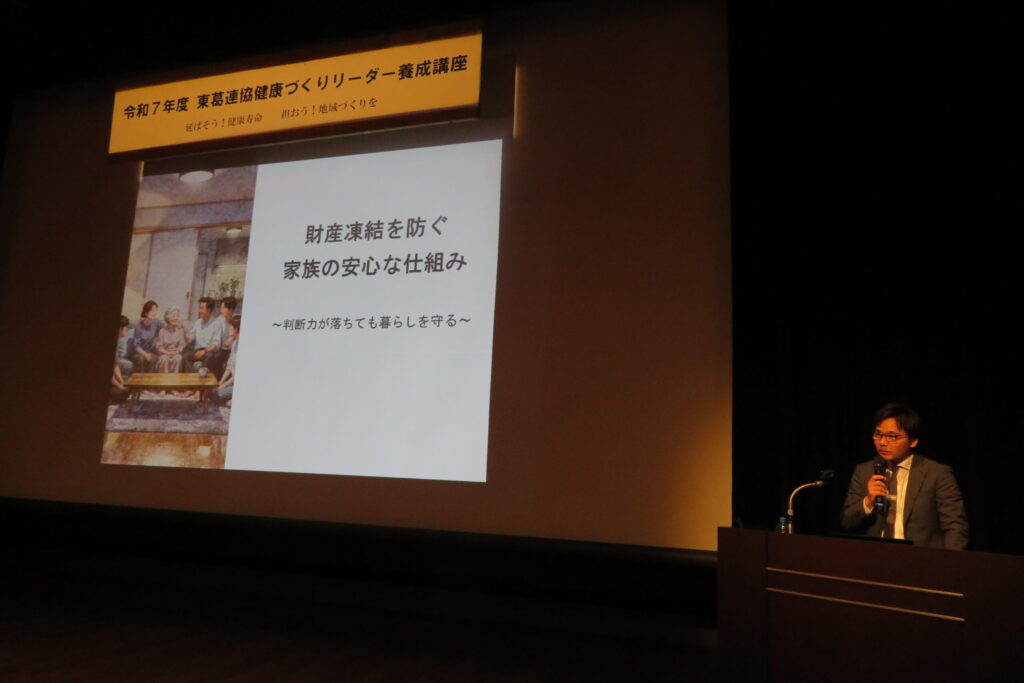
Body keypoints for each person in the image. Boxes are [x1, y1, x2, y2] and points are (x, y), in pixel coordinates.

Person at [841, 403, 968, 550]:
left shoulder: (937, 474)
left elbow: (955, 526)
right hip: (876, 555)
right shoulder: (864, 471)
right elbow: (847, 523)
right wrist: (868, 502)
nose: (882, 442)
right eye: (878, 434)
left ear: (913, 441)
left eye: (892, 436)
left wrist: (948, 561)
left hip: (920, 557)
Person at [185, 298, 224, 377]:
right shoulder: (198, 322)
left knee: (209, 357)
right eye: (199, 308)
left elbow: (216, 344)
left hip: (209, 351)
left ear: (209, 310)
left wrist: (204, 351)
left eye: (202, 308)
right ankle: (191, 380)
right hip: (197, 350)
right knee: (186, 356)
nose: (199, 311)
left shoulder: (217, 323)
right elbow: (190, 338)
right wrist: (183, 330)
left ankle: (204, 382)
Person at [213, 315, 240, 406]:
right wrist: (220, 383)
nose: (229, 328)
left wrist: (222, 386)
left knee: (217, 395)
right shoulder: (234, 343)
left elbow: (236, 376)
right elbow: (229, 367)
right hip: (232, 383)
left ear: (236, 329)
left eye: (231, 327)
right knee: (211, 392)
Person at [130, 300, 163, 372]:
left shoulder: (156, 322)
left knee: (153, 358)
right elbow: (136, 346)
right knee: (140, 359)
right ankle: (140, 378)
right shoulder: (139, 327)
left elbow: (166, 326)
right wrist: (145, 355)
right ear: (146, 313)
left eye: (155, 311)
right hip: (138, 352)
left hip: (149, 351)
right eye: (152, 311)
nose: (155, 313)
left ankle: (148, 378)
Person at [154, 308, 188, 373]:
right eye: (174, 316)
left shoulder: (180, 330)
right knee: (164, 359)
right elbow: (159, 346)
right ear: (168, 318)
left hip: (176, 353)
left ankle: (175, 378)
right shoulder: (162, 331)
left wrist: (177, 351)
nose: (176, 318)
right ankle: (164, 378)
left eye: (177, 316)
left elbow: (182, 344)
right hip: (165, 353)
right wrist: (167, 353)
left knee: (178, 358)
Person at [111, 316, 131, 402]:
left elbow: (115, 365)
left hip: (113, 379)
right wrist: (119, 386)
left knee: (130, 386)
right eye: (126, 327)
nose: (127, 329)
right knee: (121, 393)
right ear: (120, 329)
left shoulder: (118, 340)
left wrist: (122, 382)